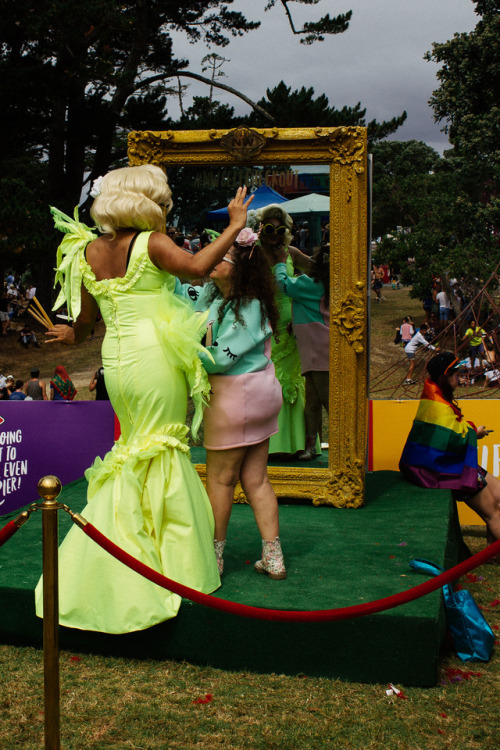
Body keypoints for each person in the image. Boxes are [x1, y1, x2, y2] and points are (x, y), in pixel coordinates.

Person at [34, 165, 253, 633]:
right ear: (145, 201)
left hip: (116, 361)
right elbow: (197, 268)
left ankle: (117, 552)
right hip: (155, 358)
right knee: (162, 445)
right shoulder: (150, 244)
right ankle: (169, 563)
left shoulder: (88, 250)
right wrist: (234, 226)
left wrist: (70, 335)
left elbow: (87, 323)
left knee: (134, 448)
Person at [193, 229, 285, 579]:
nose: (210, 258)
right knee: (256, 479)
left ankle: (213, 558)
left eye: (220, 256)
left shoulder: (249, 306)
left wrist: (184, 353)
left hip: (234, 398)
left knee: (219, 479)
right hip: (260, 395)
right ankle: (273, 557)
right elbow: (184, 296)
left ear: (239, 265)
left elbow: (219, 359)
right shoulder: (216, 296)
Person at [400, 352, 500, 562]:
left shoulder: (436, 395)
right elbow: (452, 438)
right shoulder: (437, 402)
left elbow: (451, 432)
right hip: (442, 471)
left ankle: (492, 552)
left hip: (449, 464)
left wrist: (471, 430)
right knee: (493, 512)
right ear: (444, 376)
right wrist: (475, 432)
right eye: (456, 375)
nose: (460, 379)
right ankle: (491, 553)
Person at [252, 203, 312, 456]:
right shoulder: (250, 253)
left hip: (289, 323)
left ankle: (295, 443)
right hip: (257, 322)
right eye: (269, 229)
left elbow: (323, 275)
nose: (274, 234)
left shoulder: (292, 254)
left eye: (280, 230)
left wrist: (304, 309)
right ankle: (266, 444)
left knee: (289, 380)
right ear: (260, 229)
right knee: (263, 379)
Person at [274, 243, 330, 460]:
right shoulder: (325, 284)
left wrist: (280, 262)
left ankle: (342, 446)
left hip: (317, 348)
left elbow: (284, 284)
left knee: (324, 400)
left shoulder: (310, 283)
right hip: (314, 345)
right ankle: (310, 446)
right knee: (313, 400)